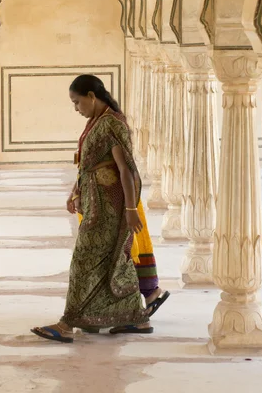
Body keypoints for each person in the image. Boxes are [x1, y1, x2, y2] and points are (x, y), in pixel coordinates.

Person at [31, 75, 168, 343]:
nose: (76, 108)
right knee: (113, 260)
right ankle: (136, 319)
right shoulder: (97, 121)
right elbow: (89, 163)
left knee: (84, 261)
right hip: (96, 203)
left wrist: (130, 209)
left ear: (92, 97)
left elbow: (126, 170)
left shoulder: (113, 124)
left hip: (110, 206)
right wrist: (76, 191)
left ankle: (67, 324)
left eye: (77, 102)